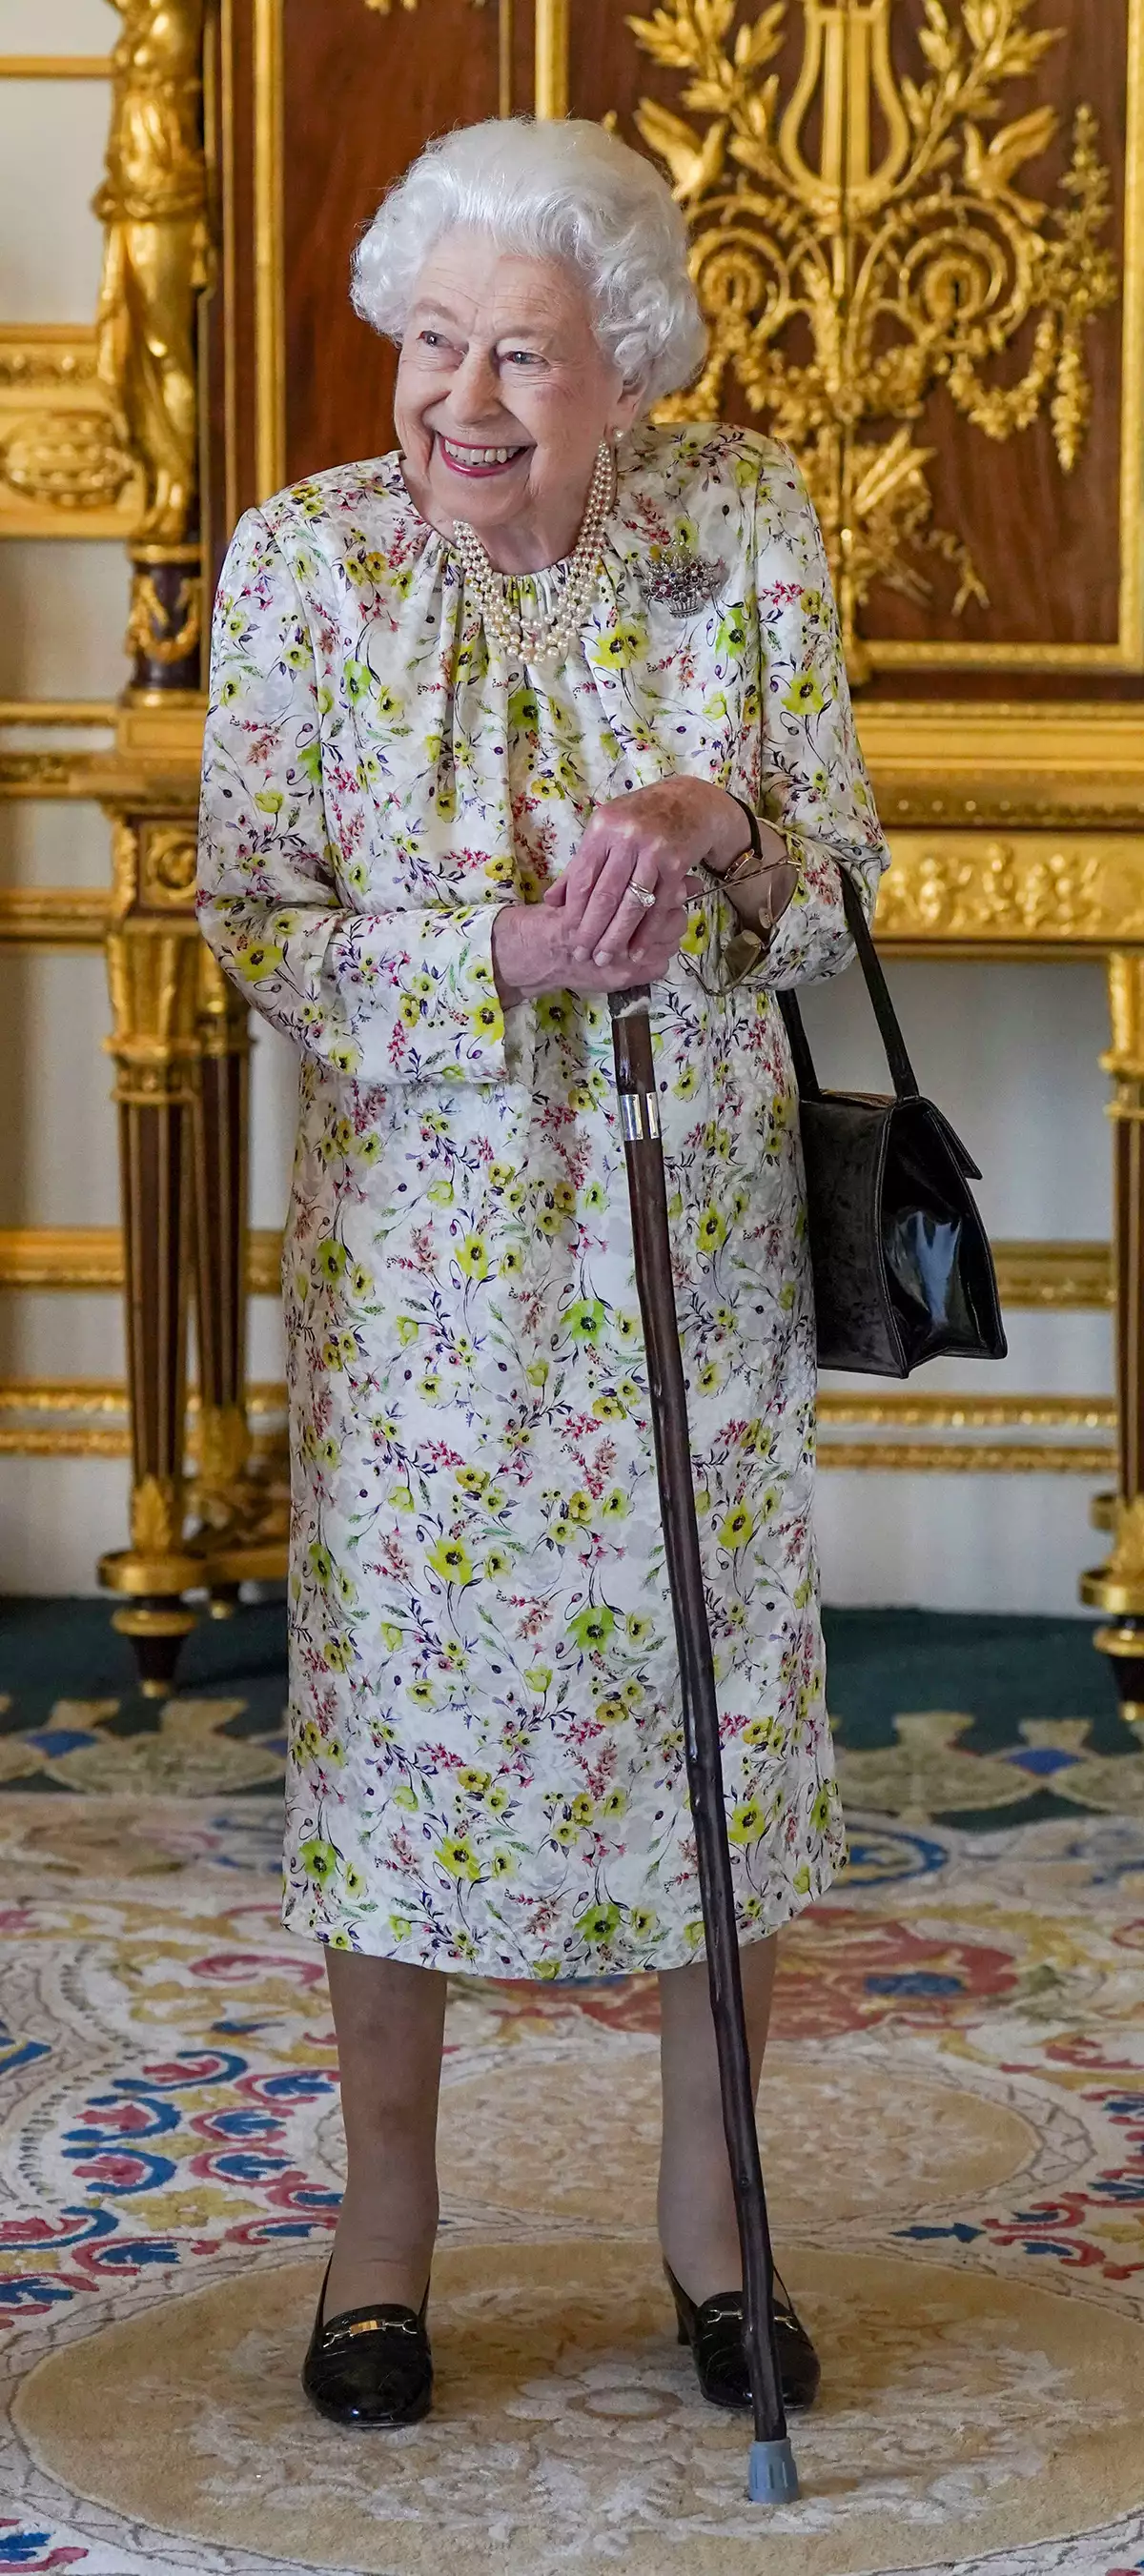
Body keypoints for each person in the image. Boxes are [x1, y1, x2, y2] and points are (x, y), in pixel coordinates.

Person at [196, 112, 889, 2433]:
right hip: (421, 1276)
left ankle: (716, 2227)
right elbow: (253, 925)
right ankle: (379, 2239)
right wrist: (490, 947)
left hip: (685, 1239)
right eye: (430, 342)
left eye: (523, 355)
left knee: (710, 1733)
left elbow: (834, 880)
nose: (463, 401)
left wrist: (725, 833)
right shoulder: (302, 568)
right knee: (403, 1726)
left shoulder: (745, 529)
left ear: (631, 371)